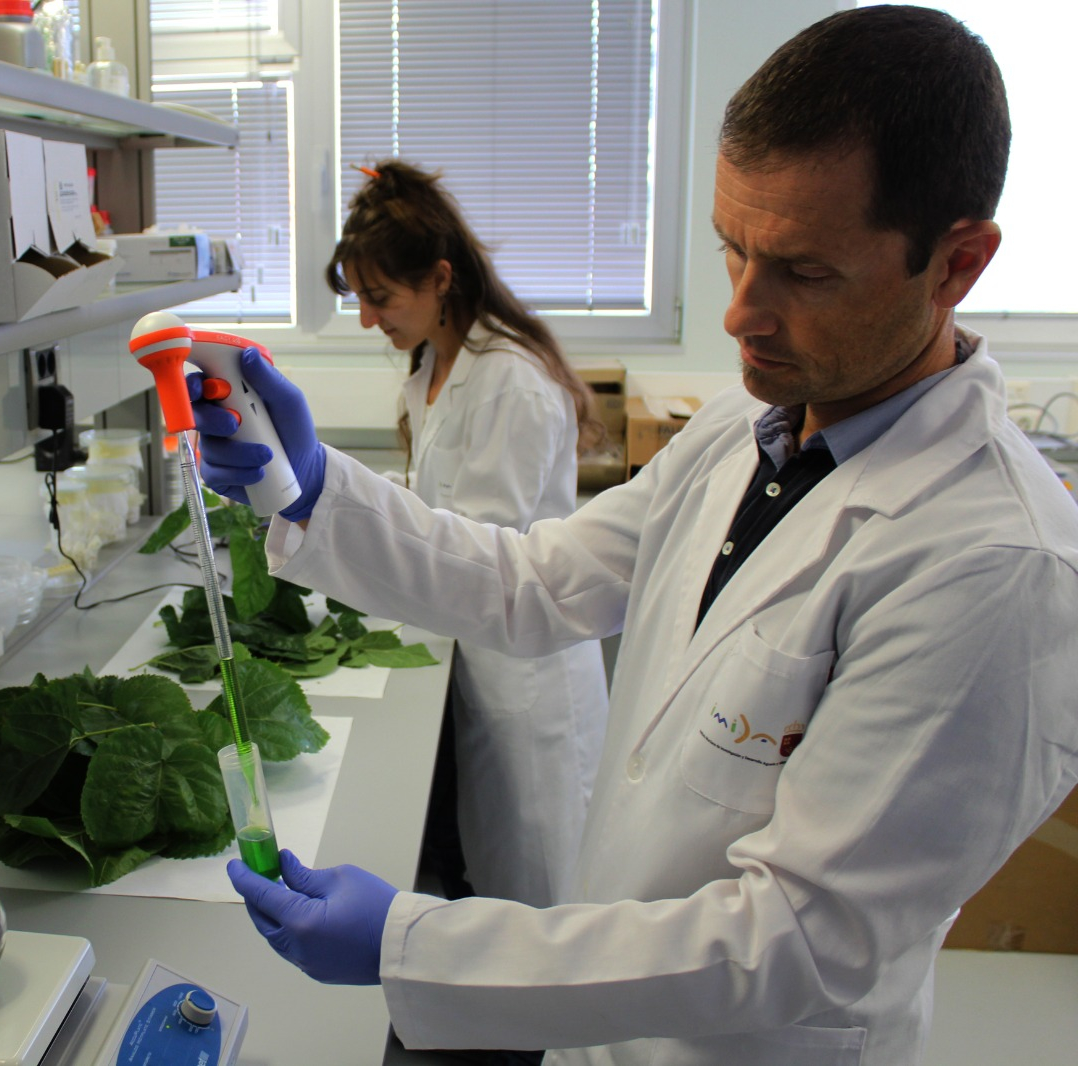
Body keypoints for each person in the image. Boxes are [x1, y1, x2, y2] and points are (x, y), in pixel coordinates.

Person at [197, 6, 1078, 1064]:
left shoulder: (994, 565)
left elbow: (794, 937)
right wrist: (314, 493)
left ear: (954, 265)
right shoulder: (736, 434)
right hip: (611, 1024)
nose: (738, 315)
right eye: (730, 251)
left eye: (802, 272)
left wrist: (413, 941)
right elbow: (531, 581)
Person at [329, 159, 609, 910]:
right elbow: (432, 502)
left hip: (530, 672)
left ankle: (547, 1028)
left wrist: (358, 532)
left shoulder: (511, 380)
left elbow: (481, 544)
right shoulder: (431, 366)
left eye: (379, 297)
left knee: (544, 879)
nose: (367, 319)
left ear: (441, 278)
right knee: (495, 873)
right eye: (360, 299)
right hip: (477, 658)